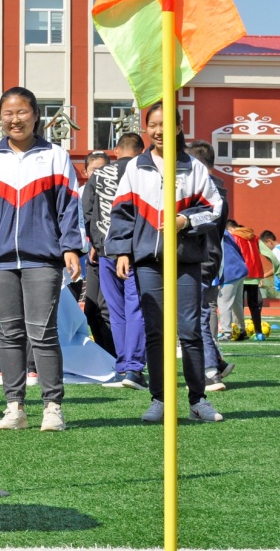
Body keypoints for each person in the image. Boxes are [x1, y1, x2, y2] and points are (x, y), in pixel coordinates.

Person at [0, 87, 81, 431]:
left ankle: (52, 407)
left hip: (43, 259)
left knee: (43, 333)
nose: (15, 119)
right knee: (9, 333)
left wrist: (70, 246)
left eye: (22, 112)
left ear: (35, 115)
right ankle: (14, 406)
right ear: (0, 118)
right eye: (8, 113)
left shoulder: (56, 156)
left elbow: (68, 207)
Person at [106, 102, 224, 424]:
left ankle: (198, 400)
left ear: (178, 127)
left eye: (165, 124)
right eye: (153, 125)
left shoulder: (194, 167)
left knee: (189, 332)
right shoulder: (136, 167)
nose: (159, 131)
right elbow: (121, 212)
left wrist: (185, 221)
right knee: (156, 333)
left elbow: (215, 207)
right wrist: (122, 252)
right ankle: (159, 399)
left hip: (185, 261)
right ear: (147, 129)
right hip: (147, 262)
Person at [83, 131, 147, 390]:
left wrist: (95, 243)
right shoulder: (145, 173)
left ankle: (122, 366)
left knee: (116, 311)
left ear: (116, 151)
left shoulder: (99, 175)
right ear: (141, 151)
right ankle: (134, 368)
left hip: (106, 250)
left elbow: (88, 211)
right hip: (137, 251)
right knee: (136, 308)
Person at [187, 140, 236, 392]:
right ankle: (217, 362)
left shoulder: (206, 191)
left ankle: (210, 372)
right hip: (210, 258)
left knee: (199, 317)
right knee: (198, 315)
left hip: (200, 259)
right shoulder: (219, 190)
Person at [78, 151, 114, 357]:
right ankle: (103, 354)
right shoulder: (79, 192)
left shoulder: (115, 193)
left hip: (106, 255)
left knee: (105, 308)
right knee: (90, 310)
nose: (99, 174)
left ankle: (114, 356)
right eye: (94, 170)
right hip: (81, 257)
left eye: (104, 170)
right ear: (85, 171)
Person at [227, 222, 268, 340]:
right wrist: (278, 271)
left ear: (230, 228)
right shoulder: (254, 237)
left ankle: (239, 330)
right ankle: (259, 333)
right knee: (254, 305)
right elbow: (270, 255)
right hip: (254, 275)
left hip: (239, 274)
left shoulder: (233, 237)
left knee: (237, 304)